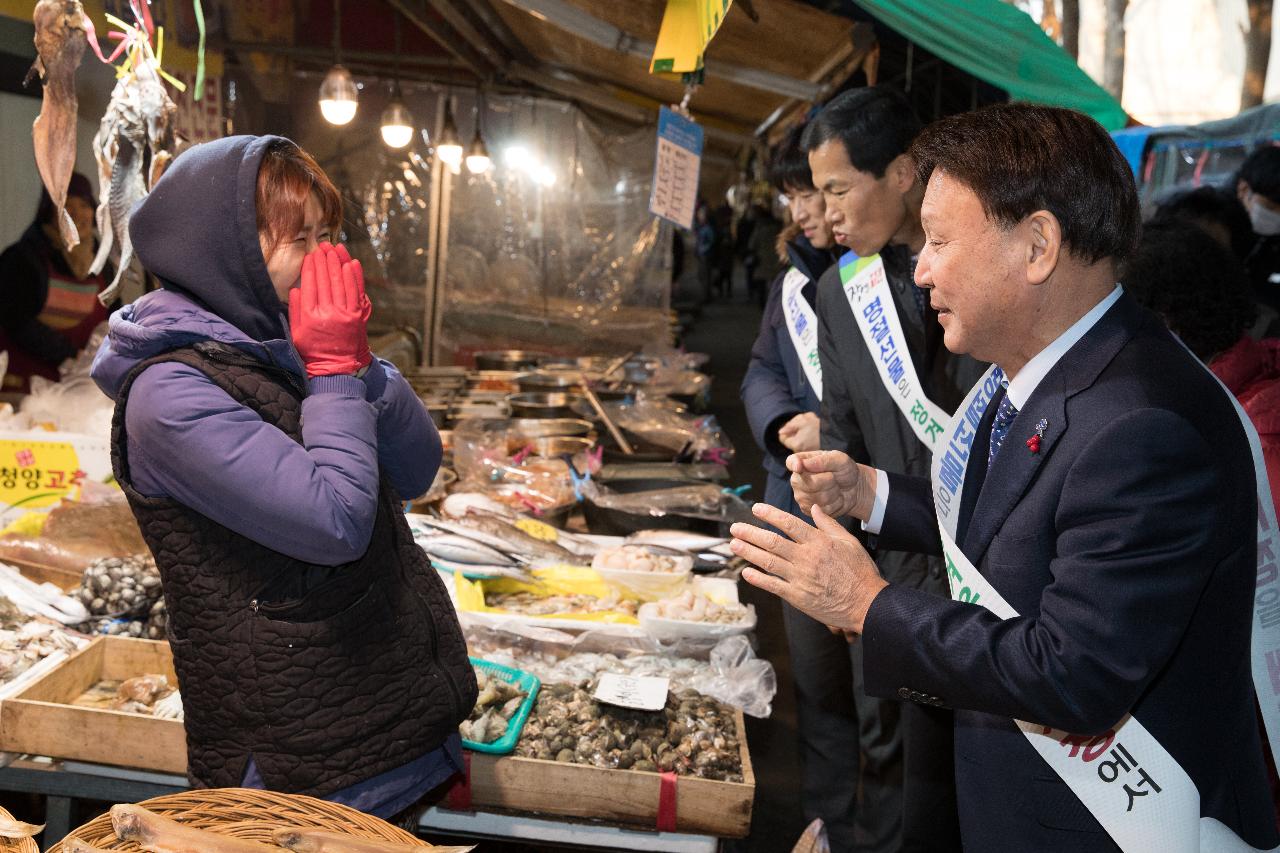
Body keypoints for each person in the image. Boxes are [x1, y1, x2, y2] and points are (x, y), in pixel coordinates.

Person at [731, 103, 1279, 851]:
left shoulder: (1145, 424)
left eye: (941, 240)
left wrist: (868, 604)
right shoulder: (1045, 368)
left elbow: (1072, 670)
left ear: (1038, 245)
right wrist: (871, 491)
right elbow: (999, 524)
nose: (919, 267)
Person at [90, 135, 477, 816]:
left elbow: (417, 468)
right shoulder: (169, 396)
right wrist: (331, 372)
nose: (327, 259)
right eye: (302, 240)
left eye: (328, 235)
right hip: (300, 762)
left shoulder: (280, 343)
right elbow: (337, 523)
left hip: (379, 721)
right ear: (229, 250)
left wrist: (358, 364)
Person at [798, 85, 984, 853]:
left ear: (905, 171)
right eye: (818, 195)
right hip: (888, 575)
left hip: (980, 571)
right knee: (892, 758)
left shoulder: (979, 279)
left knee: (966, 778)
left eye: (839, 189)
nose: (827, 214)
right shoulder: (842, 293)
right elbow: (842, 430)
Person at [740, 128, 844, 847]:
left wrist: (829, 424)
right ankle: (825, 824)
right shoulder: (794, 281)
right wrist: (781, 421)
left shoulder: (892, 279)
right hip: (797, 501)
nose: (804, 209)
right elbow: (760, 367)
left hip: (870, 511)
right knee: (818, 687)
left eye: (816, 192)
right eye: (795, 194)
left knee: (880, 697)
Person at [0, 173, 112, 393]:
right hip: (22, 389)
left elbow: (113, 316)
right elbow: (16, 321)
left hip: (77, 391)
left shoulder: (102, 263)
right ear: (49, 213)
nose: (77, 214)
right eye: (67, 206)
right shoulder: (22, 258)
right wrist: (70, 353)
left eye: (84, 205)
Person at [1238, 145, 1280, 311]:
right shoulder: (1214, 226)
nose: (1277, 217)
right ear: (1244, 190)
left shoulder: (1271, 241)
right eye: (1270, 207)